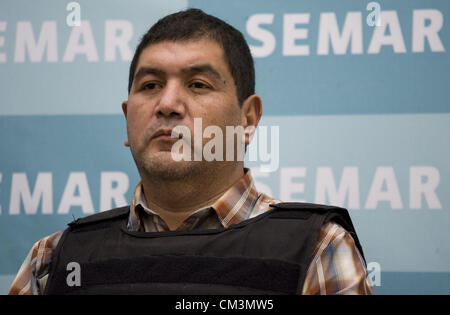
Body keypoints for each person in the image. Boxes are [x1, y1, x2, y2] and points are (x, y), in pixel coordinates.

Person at [9, 8, 373, 295]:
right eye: (150, 85)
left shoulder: (317, 249)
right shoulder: (53, 258)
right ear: (127, 119)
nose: (167, 104)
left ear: (248, 120)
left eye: (198, 84)